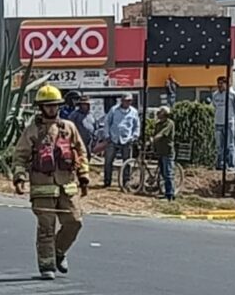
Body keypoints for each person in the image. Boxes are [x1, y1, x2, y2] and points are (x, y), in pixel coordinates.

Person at [12, 85, 90, 281]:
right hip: (42, 187)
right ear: (41, 107)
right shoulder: (32, 131)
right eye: (47, 106)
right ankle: (47, 265)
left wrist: (84, 178)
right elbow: (20, 156)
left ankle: (59, 252)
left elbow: (81, 153)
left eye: (55, 105)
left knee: (75, 221)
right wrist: (19, 178)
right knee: (46, 227)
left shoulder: (68, 128)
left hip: (68, 186)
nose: (51, 109)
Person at [102, 93, 140, 188]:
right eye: (126, 100)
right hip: (113, 139)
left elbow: (137, 126)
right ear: (122, 101)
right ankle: (107, 181)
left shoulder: (134, 112)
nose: (128, 102)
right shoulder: (114, 110)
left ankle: (126, 182)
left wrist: (134, 136)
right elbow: (107, 122)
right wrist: (107, 135)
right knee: (108, 161)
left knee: (127, 162)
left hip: (127, 140)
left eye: (130, 101)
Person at [211, 76, 235, 170]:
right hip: (218, 123)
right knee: (219, 145)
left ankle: (231, 165)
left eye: (222, 83)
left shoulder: (232, 94)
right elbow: (214, 106)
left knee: (230, 145)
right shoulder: (215, 94)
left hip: (229, 123)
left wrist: (231, 117)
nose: (220, 85)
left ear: (226, 84)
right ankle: (220, 164)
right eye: (218, 83)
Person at [152, 106, 176, 201]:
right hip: (160, 151)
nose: (158, 113)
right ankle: (165, 191)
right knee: (162, 173)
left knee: (168, 173)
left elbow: (162, 134)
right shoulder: (158, 124)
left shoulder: (170, 123)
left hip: (167, 151)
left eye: (160, 112)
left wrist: (154, 138)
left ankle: (170, 195)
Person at [67, 95, 96, 160]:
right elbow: (69, 127)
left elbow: (95, 126)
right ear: (80, 105)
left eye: (86, 104)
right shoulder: (74, 115)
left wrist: (94, 138)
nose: (85, 106)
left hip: (89, 140)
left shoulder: (91, 114)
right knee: (79, 156)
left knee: (88, 156)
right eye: (83, 104)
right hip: (78, 141)